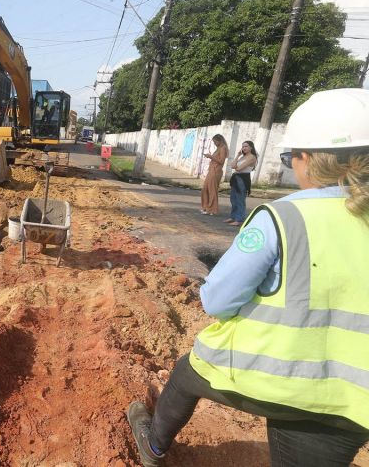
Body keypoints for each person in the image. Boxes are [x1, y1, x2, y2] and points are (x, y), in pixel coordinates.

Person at [126, 88, 369, 467]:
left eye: (290, 158)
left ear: (305, 159)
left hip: (275, 374)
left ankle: (154, 445)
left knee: (188, 373)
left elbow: (216, 301)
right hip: (355, 398)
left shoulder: (283, 217)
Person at [225, 140, 258, 226]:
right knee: (233, 199)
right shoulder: (242, 157)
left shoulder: (252, 157)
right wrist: (238, 155)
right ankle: (233, 217)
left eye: (246, 146)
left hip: (243, 179)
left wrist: (237, 167)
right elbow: (233, 166)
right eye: (243, 146)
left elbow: (239, 169)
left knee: (240, 200)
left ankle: (239, 219)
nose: (244, 148)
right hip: (236, 178)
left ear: (251, 147)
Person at [200, 134, 228, 215]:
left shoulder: (223, 148)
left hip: (216, 171)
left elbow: (221, 161)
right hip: (212, 170)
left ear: (220, 140)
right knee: (205, 189)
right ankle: (206, 207)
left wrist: (211, 157)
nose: (214, 143)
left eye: (215, 141)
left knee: (212, 190)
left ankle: (212, 209)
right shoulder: (218, 148)